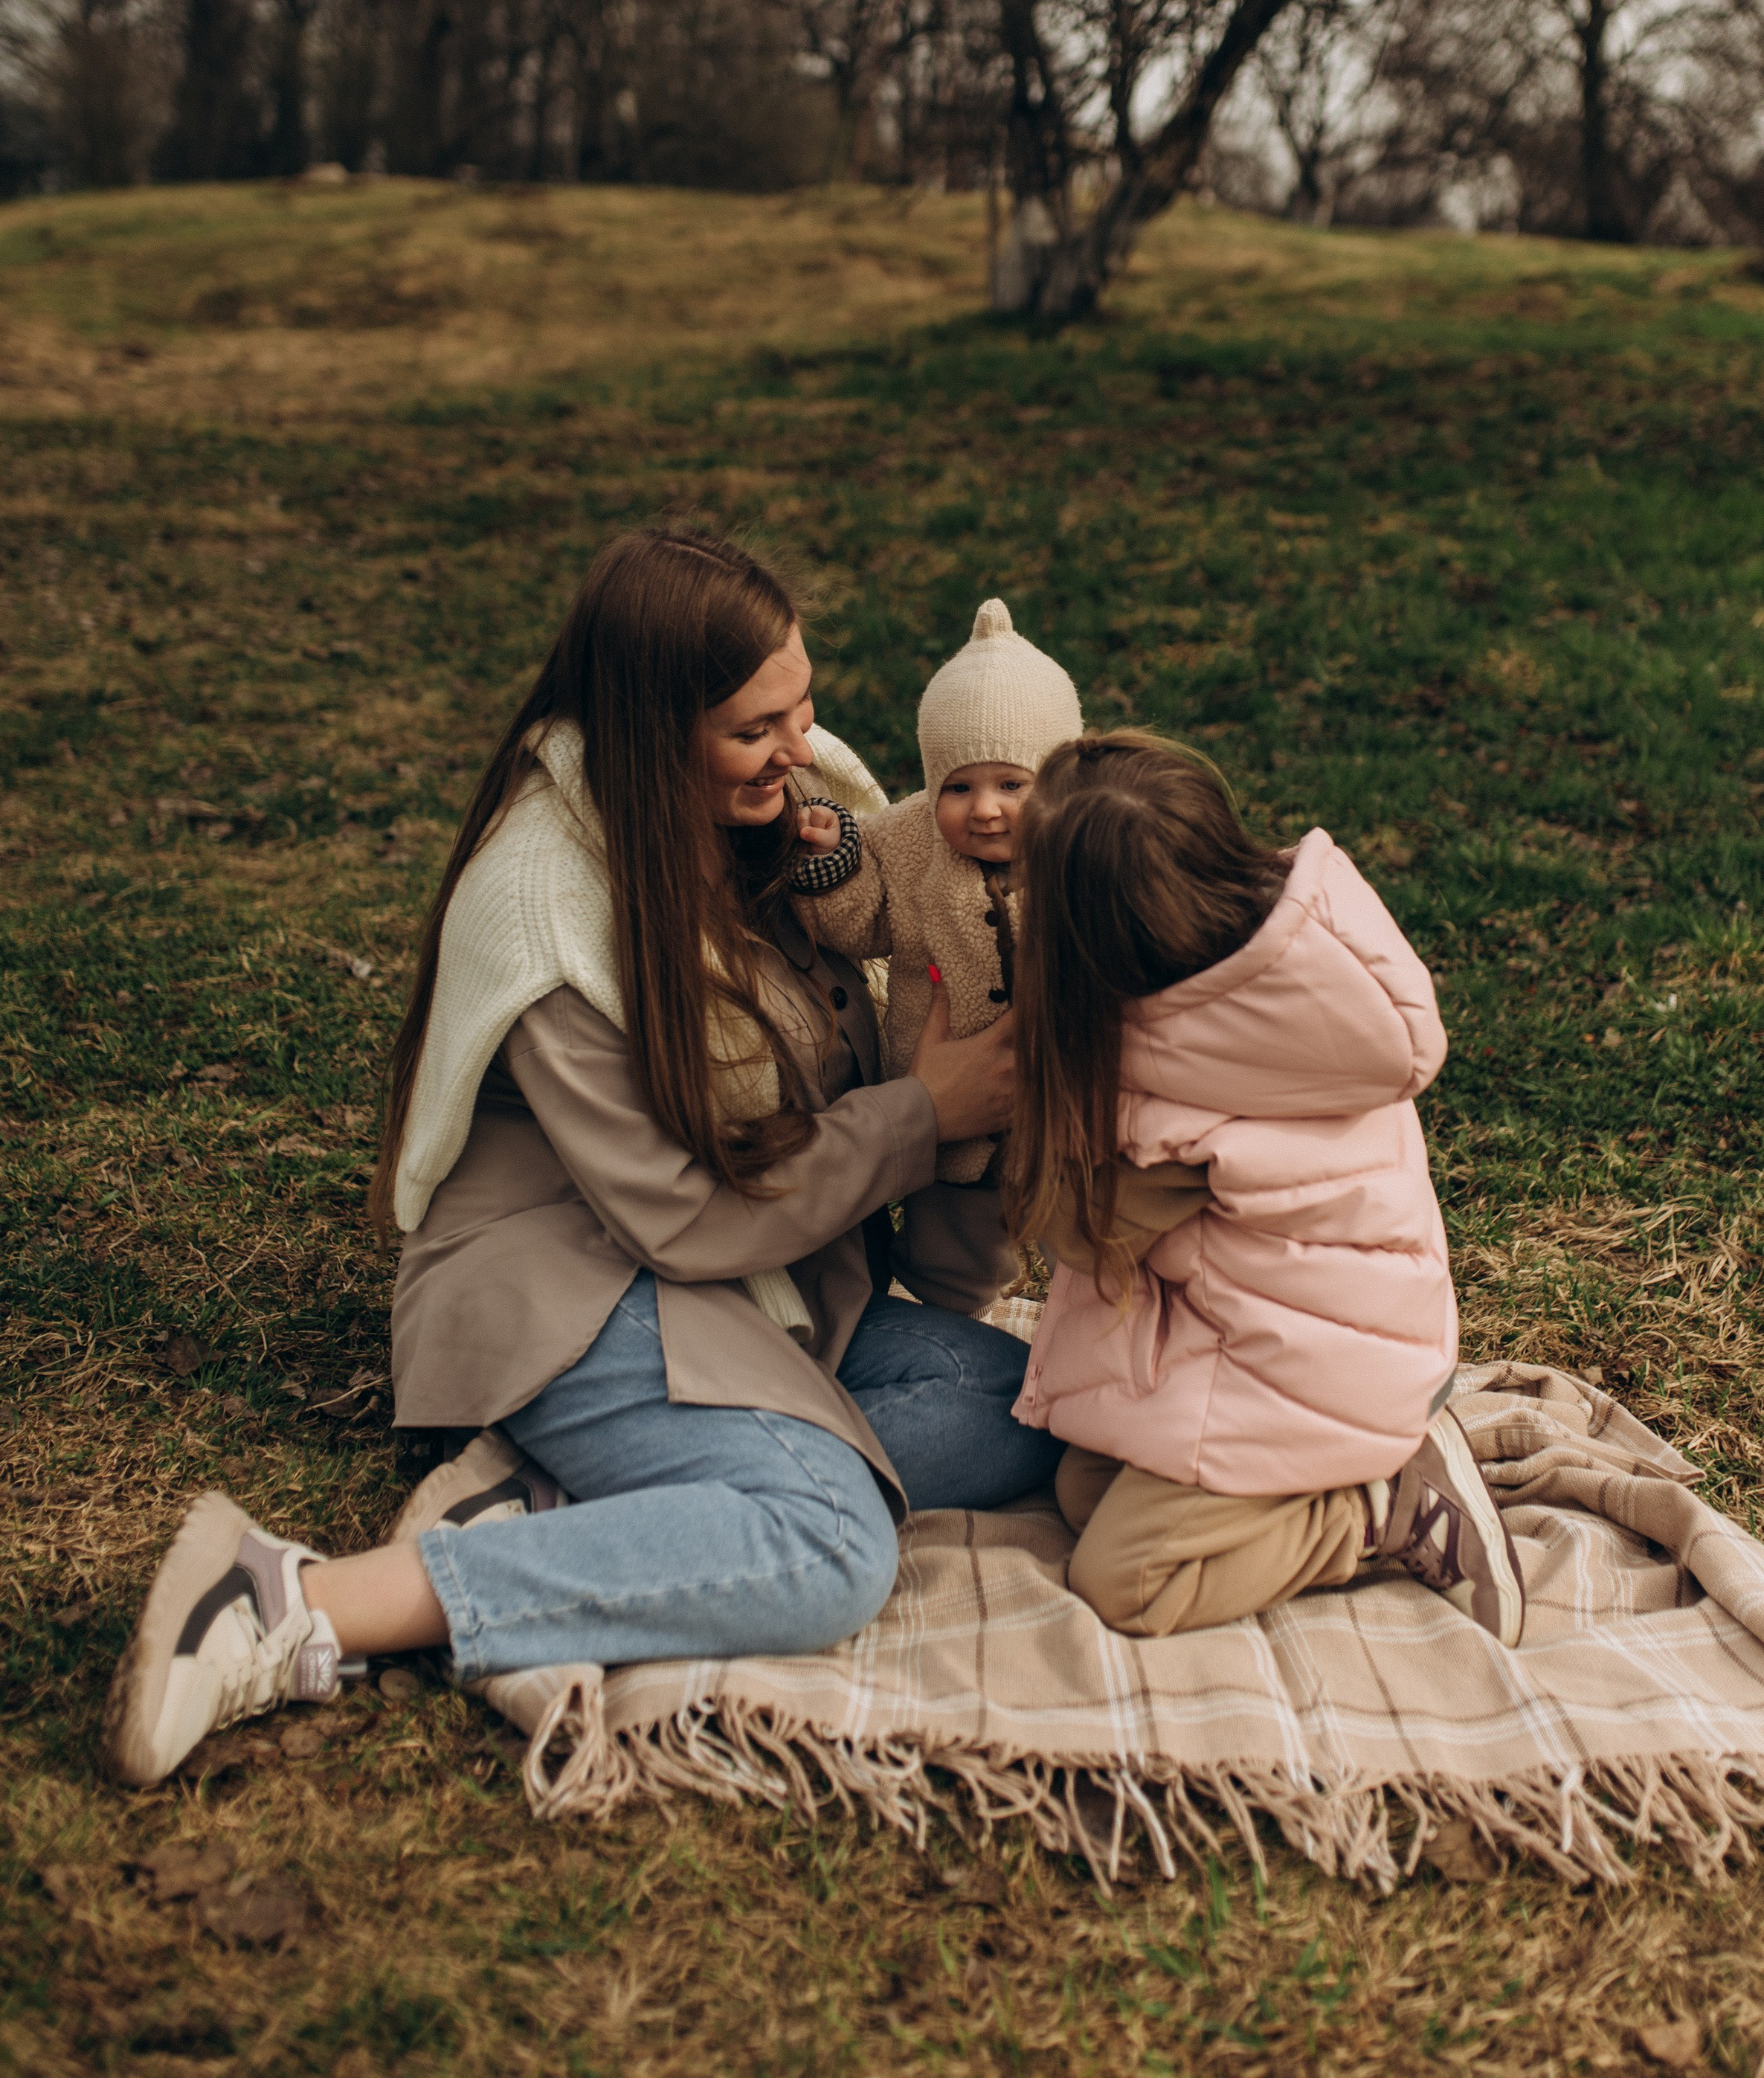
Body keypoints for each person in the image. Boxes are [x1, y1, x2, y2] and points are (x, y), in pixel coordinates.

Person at [104, 528, 1061, 1789]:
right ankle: (295, 1598)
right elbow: (681, 1213)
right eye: (753, 726)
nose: (798, 745)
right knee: (831, 1539)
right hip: (581, 1284)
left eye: (803, 705)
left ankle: (602, 1513)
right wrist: (921, 1118)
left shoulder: (789, 816)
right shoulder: (544, 904)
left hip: (754, 1284)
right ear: (652, 725)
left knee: (1035, 1408)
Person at [1002, 731, 1525, 1647]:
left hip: (1314, 1366)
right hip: (1310, 1324)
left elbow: (1085, 1233)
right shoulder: (1287, 973)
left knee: (1125, 1576)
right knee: (1084, 1485)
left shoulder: (1163, 1074)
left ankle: (1374, 1507)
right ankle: (1357, 1470)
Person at [789, 597, 1081, 1305]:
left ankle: (1098, 1327)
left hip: (1066, 1100)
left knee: (1092, 1234)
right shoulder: (907, 842)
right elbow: (859, 926)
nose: (985, 809)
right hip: (950, 1108)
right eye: (959, 787)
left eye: (1012, 784)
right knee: (949, 1250)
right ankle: (948, 1325)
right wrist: (835, 865)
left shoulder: (1083, 846)